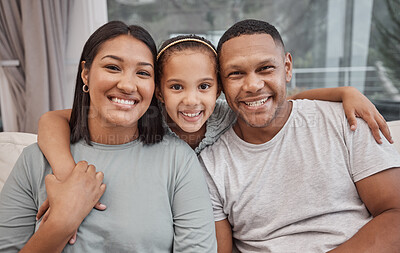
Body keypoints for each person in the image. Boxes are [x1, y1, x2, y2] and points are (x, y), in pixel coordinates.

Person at [35, 33, 393, 241]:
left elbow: (280, 100)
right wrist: (68, 176)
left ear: (220, 90)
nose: (191, 101)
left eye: (204, 87)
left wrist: (345, 92)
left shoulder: (225, 115)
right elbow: (53, 118)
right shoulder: (146, 116)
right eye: (176, 87)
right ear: (159, 91)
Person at [0, 21, 216, 252]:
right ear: (85, 73)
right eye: (113, 67)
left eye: (143, 73)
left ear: (155, 88)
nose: (127, 85)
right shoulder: (35, 160)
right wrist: (61, 222)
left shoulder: (178, 160)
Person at [199, 19, 400, 252]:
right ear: (221, 84)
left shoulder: (346, 119)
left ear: (287, 68)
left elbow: (395, 214)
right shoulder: (211, 164)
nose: (253, 85)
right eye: (235, 73)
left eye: (265, 68)